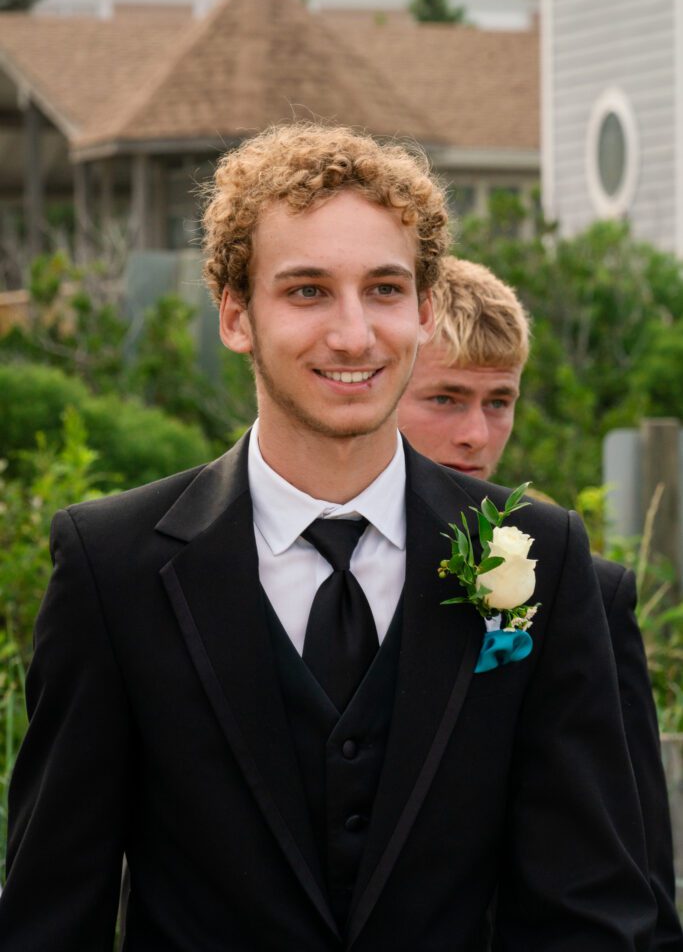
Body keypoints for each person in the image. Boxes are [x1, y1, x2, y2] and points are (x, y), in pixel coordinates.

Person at [0, 124, 656, 950]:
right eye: (307, 291)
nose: (353, 335)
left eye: (383, 290)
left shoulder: (534, 556)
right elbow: (53, 912)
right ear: (236, 314)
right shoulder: (113, 565)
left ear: (421, 310)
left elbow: (589, 905)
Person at [398, 255, 683, 950]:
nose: (476, 434)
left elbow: (632, 862)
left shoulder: (572, 583)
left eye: (498, 402)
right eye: (445, 398)